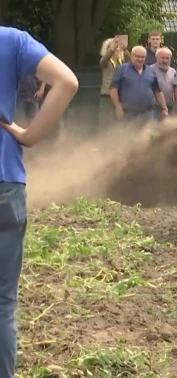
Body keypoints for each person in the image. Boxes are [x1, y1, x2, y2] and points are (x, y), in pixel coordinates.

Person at [0, 26, 79, 378]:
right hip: (4, 182)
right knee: (2, 305)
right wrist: (29, 136)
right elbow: (68, 82)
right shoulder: (11, 40)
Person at [109, 45, 170, 125]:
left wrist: (164, 108)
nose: (140, 59)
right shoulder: (122, 70)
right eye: (138, 56)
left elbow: (157, 91)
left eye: (143, 57)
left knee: (148, 135)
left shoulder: (150, 71)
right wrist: (118, 107)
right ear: (131, 56)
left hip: (148, 113)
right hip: (128, 113)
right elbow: (113, 89)